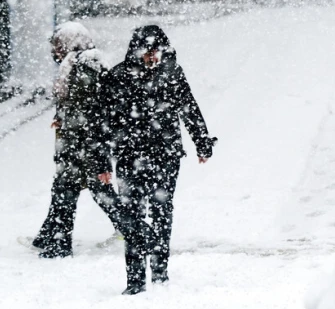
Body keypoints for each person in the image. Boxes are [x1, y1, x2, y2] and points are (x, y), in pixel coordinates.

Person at [104, 24, 216, 295]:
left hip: (166, 156)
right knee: (131, 214)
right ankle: (135, 279)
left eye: (156, 51)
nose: (151, 57)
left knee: (162, 211)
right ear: (136, 51)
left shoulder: (172, 73)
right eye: (146, 51)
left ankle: (160, 272)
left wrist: (202, 142)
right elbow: (104, 123)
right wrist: (102, 162)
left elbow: (189, 107)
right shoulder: (119, 76)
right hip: (130, 157)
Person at [31, 22, 124, 258]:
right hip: (78, 142)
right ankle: (50, 238)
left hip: (83, 143)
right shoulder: (77, 63)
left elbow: (90, 107)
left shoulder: (84, 65)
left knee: (70, 190)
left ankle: (59, 244)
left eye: (58, 44)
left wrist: (74, 125)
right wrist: (61, 116)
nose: (55, 50)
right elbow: (76, 103)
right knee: (71, 189)